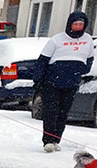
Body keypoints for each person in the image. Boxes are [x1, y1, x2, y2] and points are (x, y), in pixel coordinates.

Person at [35, 11, 94, 152]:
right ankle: (48, 141)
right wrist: (38, 80)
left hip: (72, 82)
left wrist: (81, 70)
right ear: (69, 24)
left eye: (81, 24)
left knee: (63, 113)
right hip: (52, 82)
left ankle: (56, 139)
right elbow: (42, 61)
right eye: (75, 24)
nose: (78, 27)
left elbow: (89, 59)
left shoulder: (88, 40)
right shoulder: (57, 40)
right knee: (51, 112)